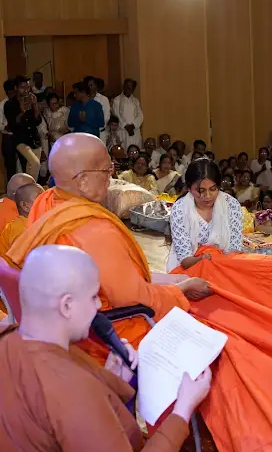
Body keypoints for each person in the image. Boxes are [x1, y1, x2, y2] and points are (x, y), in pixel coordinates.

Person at [5, 133, 211, 361]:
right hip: (106, 337)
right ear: (82, 181)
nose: (110, 178)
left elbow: (111, 277)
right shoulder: (93, 229)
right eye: (106, 170)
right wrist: (180, 290)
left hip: (61, 325)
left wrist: (172, 280)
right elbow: (132, 298)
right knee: (216, 339)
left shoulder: (46, 203)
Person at [0, 244, 212, 452]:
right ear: (67, 305)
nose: (99, 305)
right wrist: (182, 410)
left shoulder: (9, 341)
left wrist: (112, 380)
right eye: (93, 297)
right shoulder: (73, 391)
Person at [169, 158, 243, 271]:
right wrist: (202, 260)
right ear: (188, 188)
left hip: (226, 266)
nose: (208, 196)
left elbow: (234, 249)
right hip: (189, 268)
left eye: (213, 189)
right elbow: (185, 259)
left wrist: (218, 263)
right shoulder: (180, 209)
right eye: (200, 191)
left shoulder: (231, 205)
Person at [4, 75, 43, 181]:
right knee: (35, 163)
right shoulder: (9, 104)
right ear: (16, 88)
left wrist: (35, 106)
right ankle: (30, 188)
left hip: (34, 138)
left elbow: (37, 121)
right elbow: (13, 125)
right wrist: (22, 111)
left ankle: (29, 189)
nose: (26, 90)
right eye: (22, 87)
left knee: (32, 170)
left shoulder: (31, 99)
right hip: (20, 140)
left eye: (28, 87)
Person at [0, 183, 43, 257]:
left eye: (46, 196)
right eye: (40, 198)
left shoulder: (35, 223)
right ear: (25, 206)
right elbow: (29, 261)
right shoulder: (21, 230)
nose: (46, 200)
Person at [112, 79, 143, 150]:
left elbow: (140, 115)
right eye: (127, 86)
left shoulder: (135, 100)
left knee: (136, 149)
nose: (128, 88)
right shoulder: (117, 100)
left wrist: (133, 125)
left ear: (133, 89)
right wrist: (126, 126)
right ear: (123, 86)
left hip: (134, 130)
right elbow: (116, 115)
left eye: (130, 87)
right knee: (124, 150)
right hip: (123, 130)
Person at [1, 79, 20, 180]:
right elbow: (1, 125)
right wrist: (9, 125)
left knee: (21, 165)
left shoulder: (19, 102)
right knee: (11, 167)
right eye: (14, 89)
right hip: (8, 137)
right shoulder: (2, 105)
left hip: (19, 136)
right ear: (8, 91)